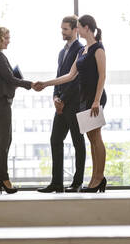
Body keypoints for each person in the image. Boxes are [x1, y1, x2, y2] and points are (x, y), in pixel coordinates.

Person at [36, 14, 107, 193]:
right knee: (91, 139)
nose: (79, 30)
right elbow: (69, 76)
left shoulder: (98, 48)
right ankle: (95, 179)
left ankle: (98, 178)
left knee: (96, 138)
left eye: (79, 27)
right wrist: (45, 84)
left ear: (86, 28)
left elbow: (103, 76)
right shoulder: (82, 51)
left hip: (95, 99)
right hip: (85, 100)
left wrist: (97, 100)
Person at [37, 16, 86, 193]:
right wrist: (55, 97)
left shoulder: (81, 50)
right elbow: (59, 76)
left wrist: (63, 99)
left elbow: (76, 80)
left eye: (65, 29)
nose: (62, 32)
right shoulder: (61, 52)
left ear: (75, 30)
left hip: (73, 103)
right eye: (62, 29)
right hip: (61, 103)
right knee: (55, 140)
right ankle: (56, 182)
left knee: (77, 142)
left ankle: (77, 182)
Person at [0, 27, 36, 194]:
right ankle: (4, 179)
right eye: (6, 37)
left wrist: (7, 81)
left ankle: (0, 177)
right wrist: (30, 84)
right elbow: (9, 78)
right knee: (4, 141)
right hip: (1, 102)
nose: (9, 40)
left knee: (5, 140)